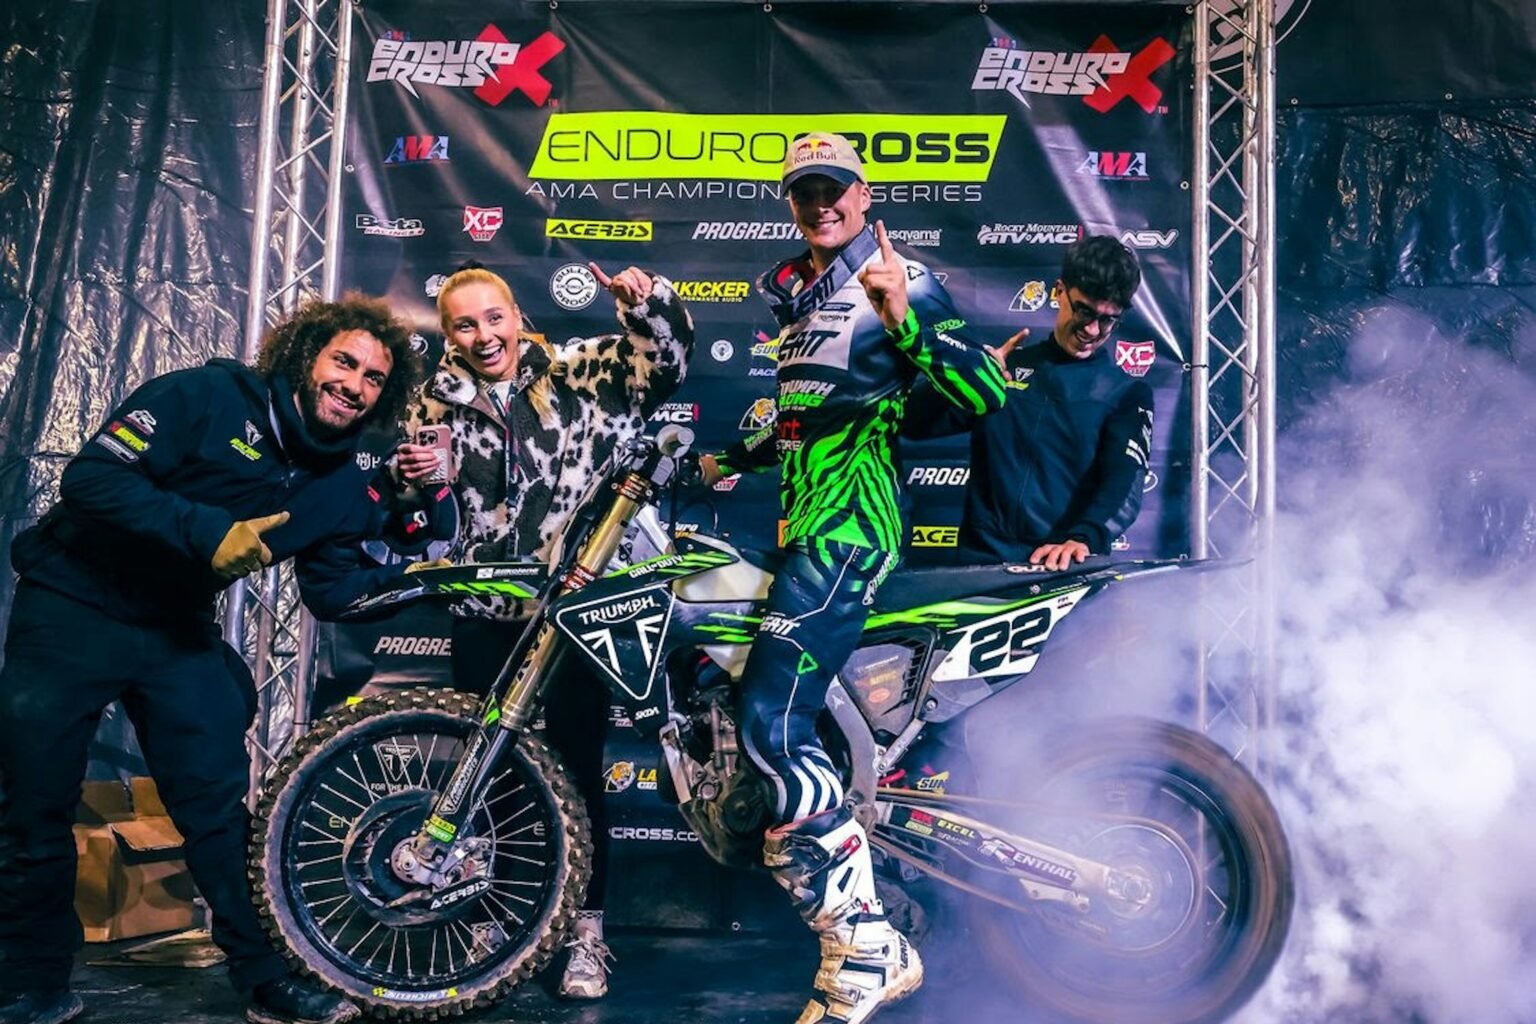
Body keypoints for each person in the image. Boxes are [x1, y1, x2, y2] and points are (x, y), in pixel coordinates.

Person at [0, 295, 427, 1024]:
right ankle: (32, 982)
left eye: (373, 379)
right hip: (73, 603)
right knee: (34, 801)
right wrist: (209, 532)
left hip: (175, 628)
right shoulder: (203, 395)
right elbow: (91, 479)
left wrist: (422, 581)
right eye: (344, 362)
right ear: (306, 356)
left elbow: (331, 592)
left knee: (218, 810)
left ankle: (266, 980)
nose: (355, 385)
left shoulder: (340, 485)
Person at [698, 132, 1006, 1024]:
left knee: (772, 722)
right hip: (807, 533)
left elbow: (985, 395)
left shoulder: (897, 279)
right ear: (790, 202)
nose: (821, 202)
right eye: (805, 190)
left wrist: (904, 316)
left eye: (835, 187)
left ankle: (867, 947)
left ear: (865, 195)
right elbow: (814, 417)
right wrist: (727, 459)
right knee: (770, 716)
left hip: (850, 535)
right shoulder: (798, 299)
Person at [393, 260, 694, 1000]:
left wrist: (648, 304)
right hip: (486, 611)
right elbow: (420, 510)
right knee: (486, 776)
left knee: (578, 773)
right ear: (448, 333)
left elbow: (666, 364)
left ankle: (585, 934)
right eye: (465, 324)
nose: (483, 335)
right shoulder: (433, 399)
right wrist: (416, 480)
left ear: (517, 316)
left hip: (572, 614)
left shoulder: (580, 371)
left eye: (493, 318)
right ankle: (498, 921)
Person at [905, 234, 1153, 569]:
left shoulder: (1125, 392)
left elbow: (1124, 481)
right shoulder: (1004, 369)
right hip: (982, 565)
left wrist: (1084, 538)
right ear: (1060, 291)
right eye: (1084, 311)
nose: (1093, 330)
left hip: (1063, 568)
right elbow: (914, 423)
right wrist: (970, 377)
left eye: (1108, 319)